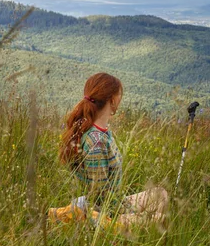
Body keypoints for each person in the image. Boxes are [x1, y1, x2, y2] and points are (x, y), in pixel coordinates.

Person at [49, 72, 168, 228]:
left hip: (113, 202)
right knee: (158, 218)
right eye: (119, 95)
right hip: (99, 212)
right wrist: (132, 212)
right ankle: (85, 223)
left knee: (160, 194)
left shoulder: (101, 132)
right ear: (113, 100)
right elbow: (100, 195)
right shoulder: (95, 142)